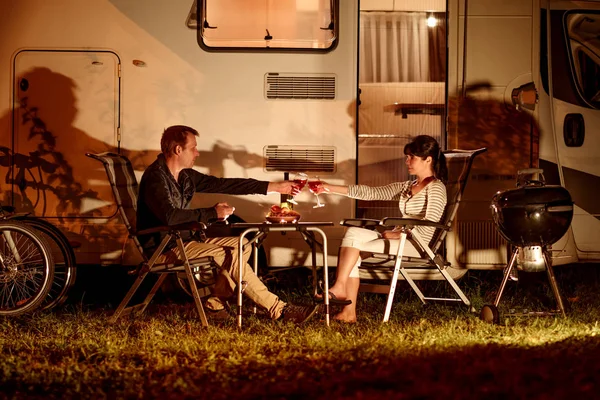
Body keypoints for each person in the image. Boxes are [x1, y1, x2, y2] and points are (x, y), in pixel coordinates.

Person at [137, 125, 318, 323]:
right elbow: (169, 217)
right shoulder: (156, 178)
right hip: (164, 248)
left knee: (244, 245)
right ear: (178, 150)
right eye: (193, 148)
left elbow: (224, 184)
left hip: (183, 240)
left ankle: (214, 304)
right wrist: (211, 213)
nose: (197, 153)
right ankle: (278, 309)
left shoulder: (185, 176)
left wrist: (274, 187)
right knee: (232, 254)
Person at [313, 135, 447, 323]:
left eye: (412, 157)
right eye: (406, 156)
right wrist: (329, 188)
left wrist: (400, 233)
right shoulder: (408, 186)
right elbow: (371, 192)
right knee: (353, 233)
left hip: (417, 244)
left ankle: (343, 296)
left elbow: (430, 223)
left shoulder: (436, 188)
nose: (406, 161)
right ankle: (345, 304)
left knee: (354, 247)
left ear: (428, 159)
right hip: (400, 239)